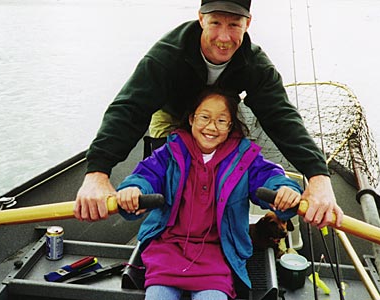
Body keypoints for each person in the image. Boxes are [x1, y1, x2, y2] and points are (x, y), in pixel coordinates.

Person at [74, 0, 343, 228]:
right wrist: (98, 173)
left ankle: (218, 228)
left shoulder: (255, 65)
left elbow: (282, 118)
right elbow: (129, 110)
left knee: (229, 161)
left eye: (234, 25)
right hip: (172, 113)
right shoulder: (166, 57)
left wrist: (318, 176)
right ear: (201, 19)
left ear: (247, 24)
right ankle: (161, 228)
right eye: (215, 23)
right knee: (167, 169)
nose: (224, 38)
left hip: (221, 113)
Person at [116, 88, 303, 299]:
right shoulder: (170, 152)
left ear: (231, 125)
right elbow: (146, 176)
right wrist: (133, 189)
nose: (212, 127)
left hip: (218, 252)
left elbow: (270, 176)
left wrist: (285, 190)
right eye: (204, 117)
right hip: (168, 248)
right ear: (191, 118)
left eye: (222, 120)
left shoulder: (244, 158)